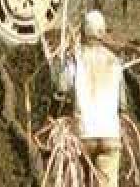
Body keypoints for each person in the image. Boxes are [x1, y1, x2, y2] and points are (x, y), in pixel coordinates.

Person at [51, 10, 126, 187]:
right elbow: (123, 104)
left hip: (84, 134)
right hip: (110, 135)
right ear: (102, 33)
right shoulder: (114, 61)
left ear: (83, 32)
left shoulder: (75, 58)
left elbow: (61, 87)